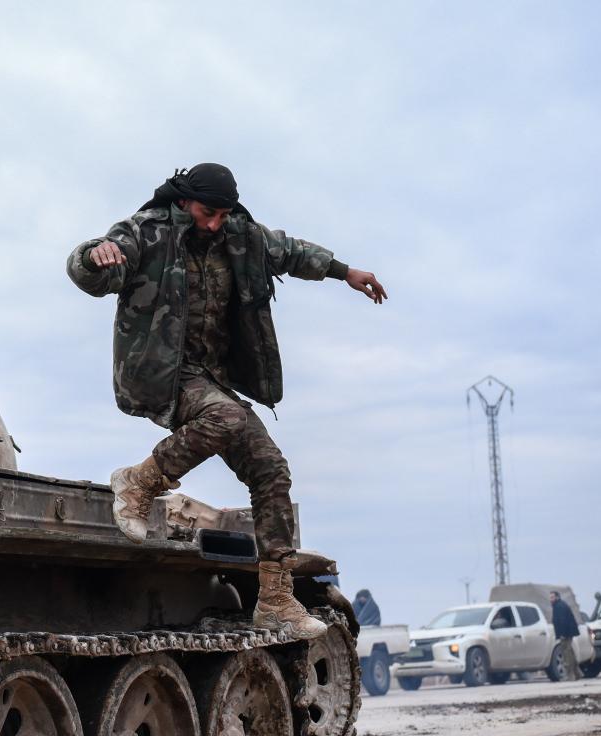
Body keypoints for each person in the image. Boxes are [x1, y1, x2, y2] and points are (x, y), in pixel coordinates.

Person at [66, 163, 386, 640]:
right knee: (226, 416)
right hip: (162, 373)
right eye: (206, 213)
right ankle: (138, 482)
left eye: (222, 214)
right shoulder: (147, 233)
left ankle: (276, 601)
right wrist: (93, 257)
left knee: (271, 470)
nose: (214, 223)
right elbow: (92, 269)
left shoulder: (240, 235)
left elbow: (290, 251)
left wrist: (345, 273)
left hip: (211, 378)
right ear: (183, 201)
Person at [549, 590, 582, 680]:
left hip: (565, 633)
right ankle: (577, 673)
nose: (550, 599)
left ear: (557, 597)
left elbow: (562, 621)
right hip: (567, 632)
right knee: (570, 652)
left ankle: (570, 675)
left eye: (552, 597)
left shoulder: (559, 606)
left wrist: (562, 634)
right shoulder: (559, 605)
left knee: (566, 654)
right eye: (550, 597)